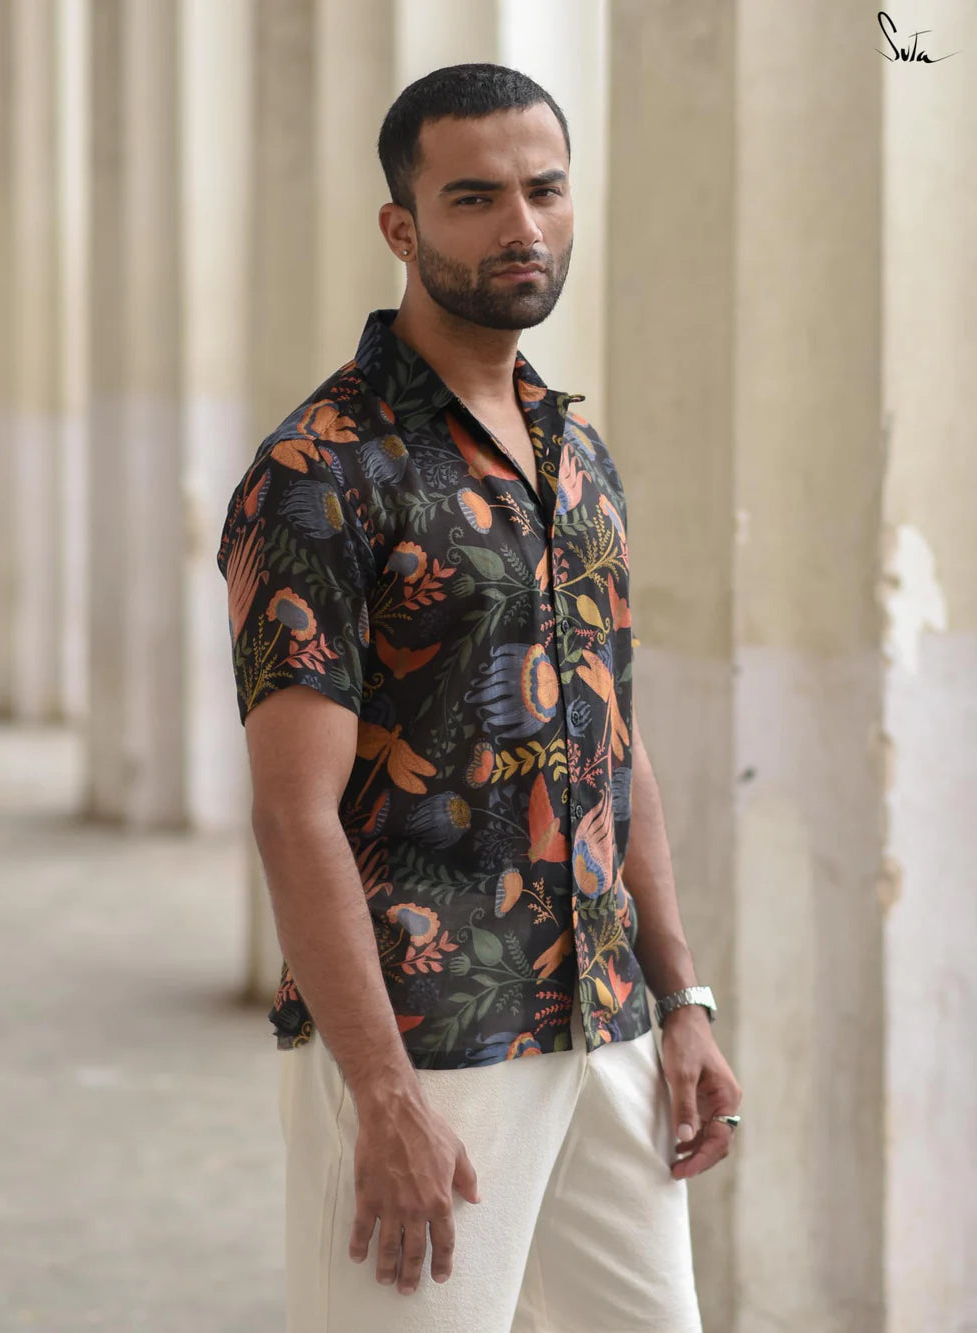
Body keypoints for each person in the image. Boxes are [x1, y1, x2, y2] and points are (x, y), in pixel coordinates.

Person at [217, 62, 742, 1333]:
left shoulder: (575, 451)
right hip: (430, 1039)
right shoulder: (319, 472)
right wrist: (383, 1092)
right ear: (401, 228)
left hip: (606, 1024)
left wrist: (679, 999)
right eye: (475, 198)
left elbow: (612, 743)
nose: (522, 226)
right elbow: (292, 812)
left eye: (545, 191)